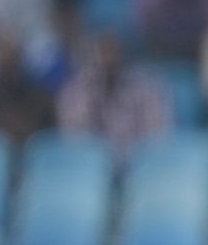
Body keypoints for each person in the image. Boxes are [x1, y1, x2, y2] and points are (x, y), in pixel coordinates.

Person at [56, 30, 172, 159]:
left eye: (112, 53)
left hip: (140, 164)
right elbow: (76, 141)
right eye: (101, 54)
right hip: (93, 165)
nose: (107, 61)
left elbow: (157, 137)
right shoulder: (75, 92)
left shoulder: (148, 88)